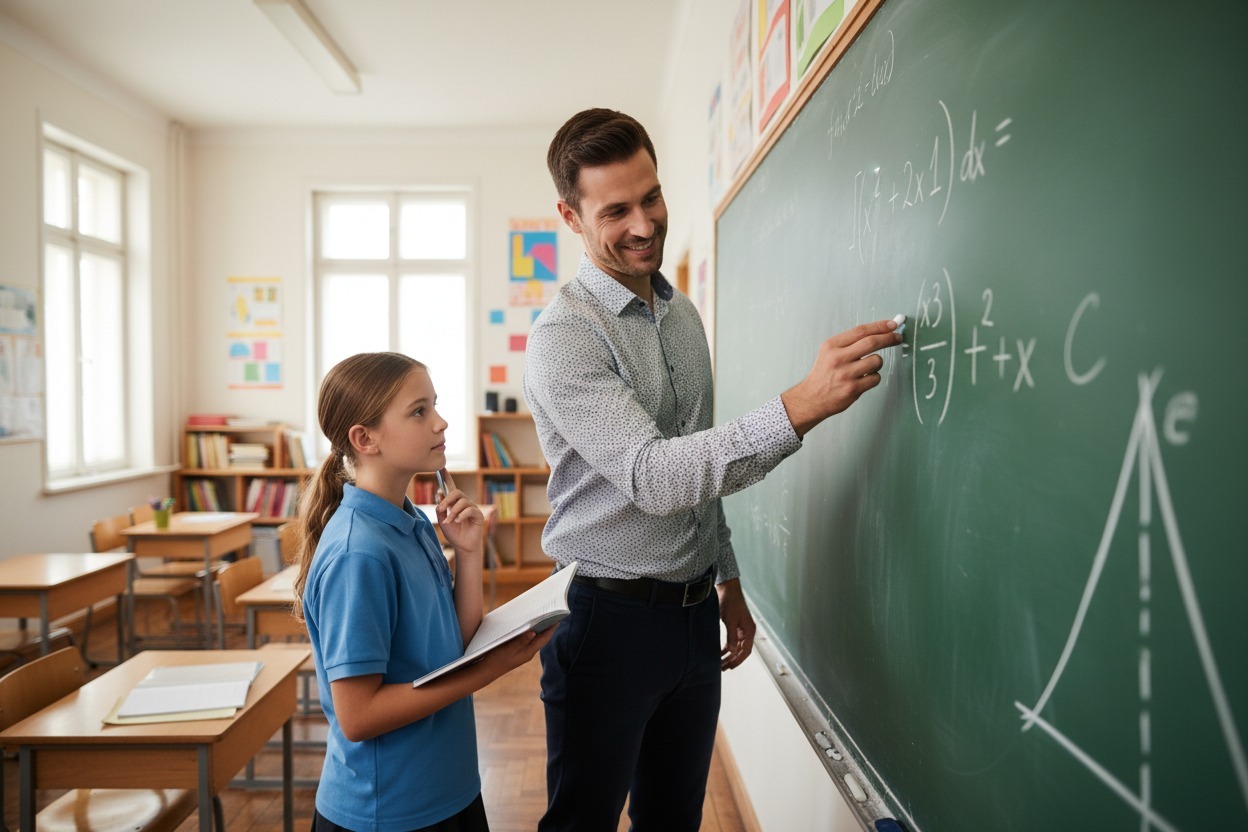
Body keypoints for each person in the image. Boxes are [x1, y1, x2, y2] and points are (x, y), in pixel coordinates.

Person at [523, 108, 903, 830]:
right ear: (570, 217)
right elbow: (658, 476)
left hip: (692, 618)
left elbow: (696, 458)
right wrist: (800, 405)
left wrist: (724, 578)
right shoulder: (564, 338)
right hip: (605, 623)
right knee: (581, 823)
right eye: (616, 211)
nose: (643, 224)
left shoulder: (682, 316)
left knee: (675, 820)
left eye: (652, 197)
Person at [293, 352, 553, 832]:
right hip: (388, 809)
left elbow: (450, 646)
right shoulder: (360, 553)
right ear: (364, 438)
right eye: (419, 411)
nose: (441, 422)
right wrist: (487, 672)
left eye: (434, 405)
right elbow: (359, 715)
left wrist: (470, 553)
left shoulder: (410, 518)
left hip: (447, 789)